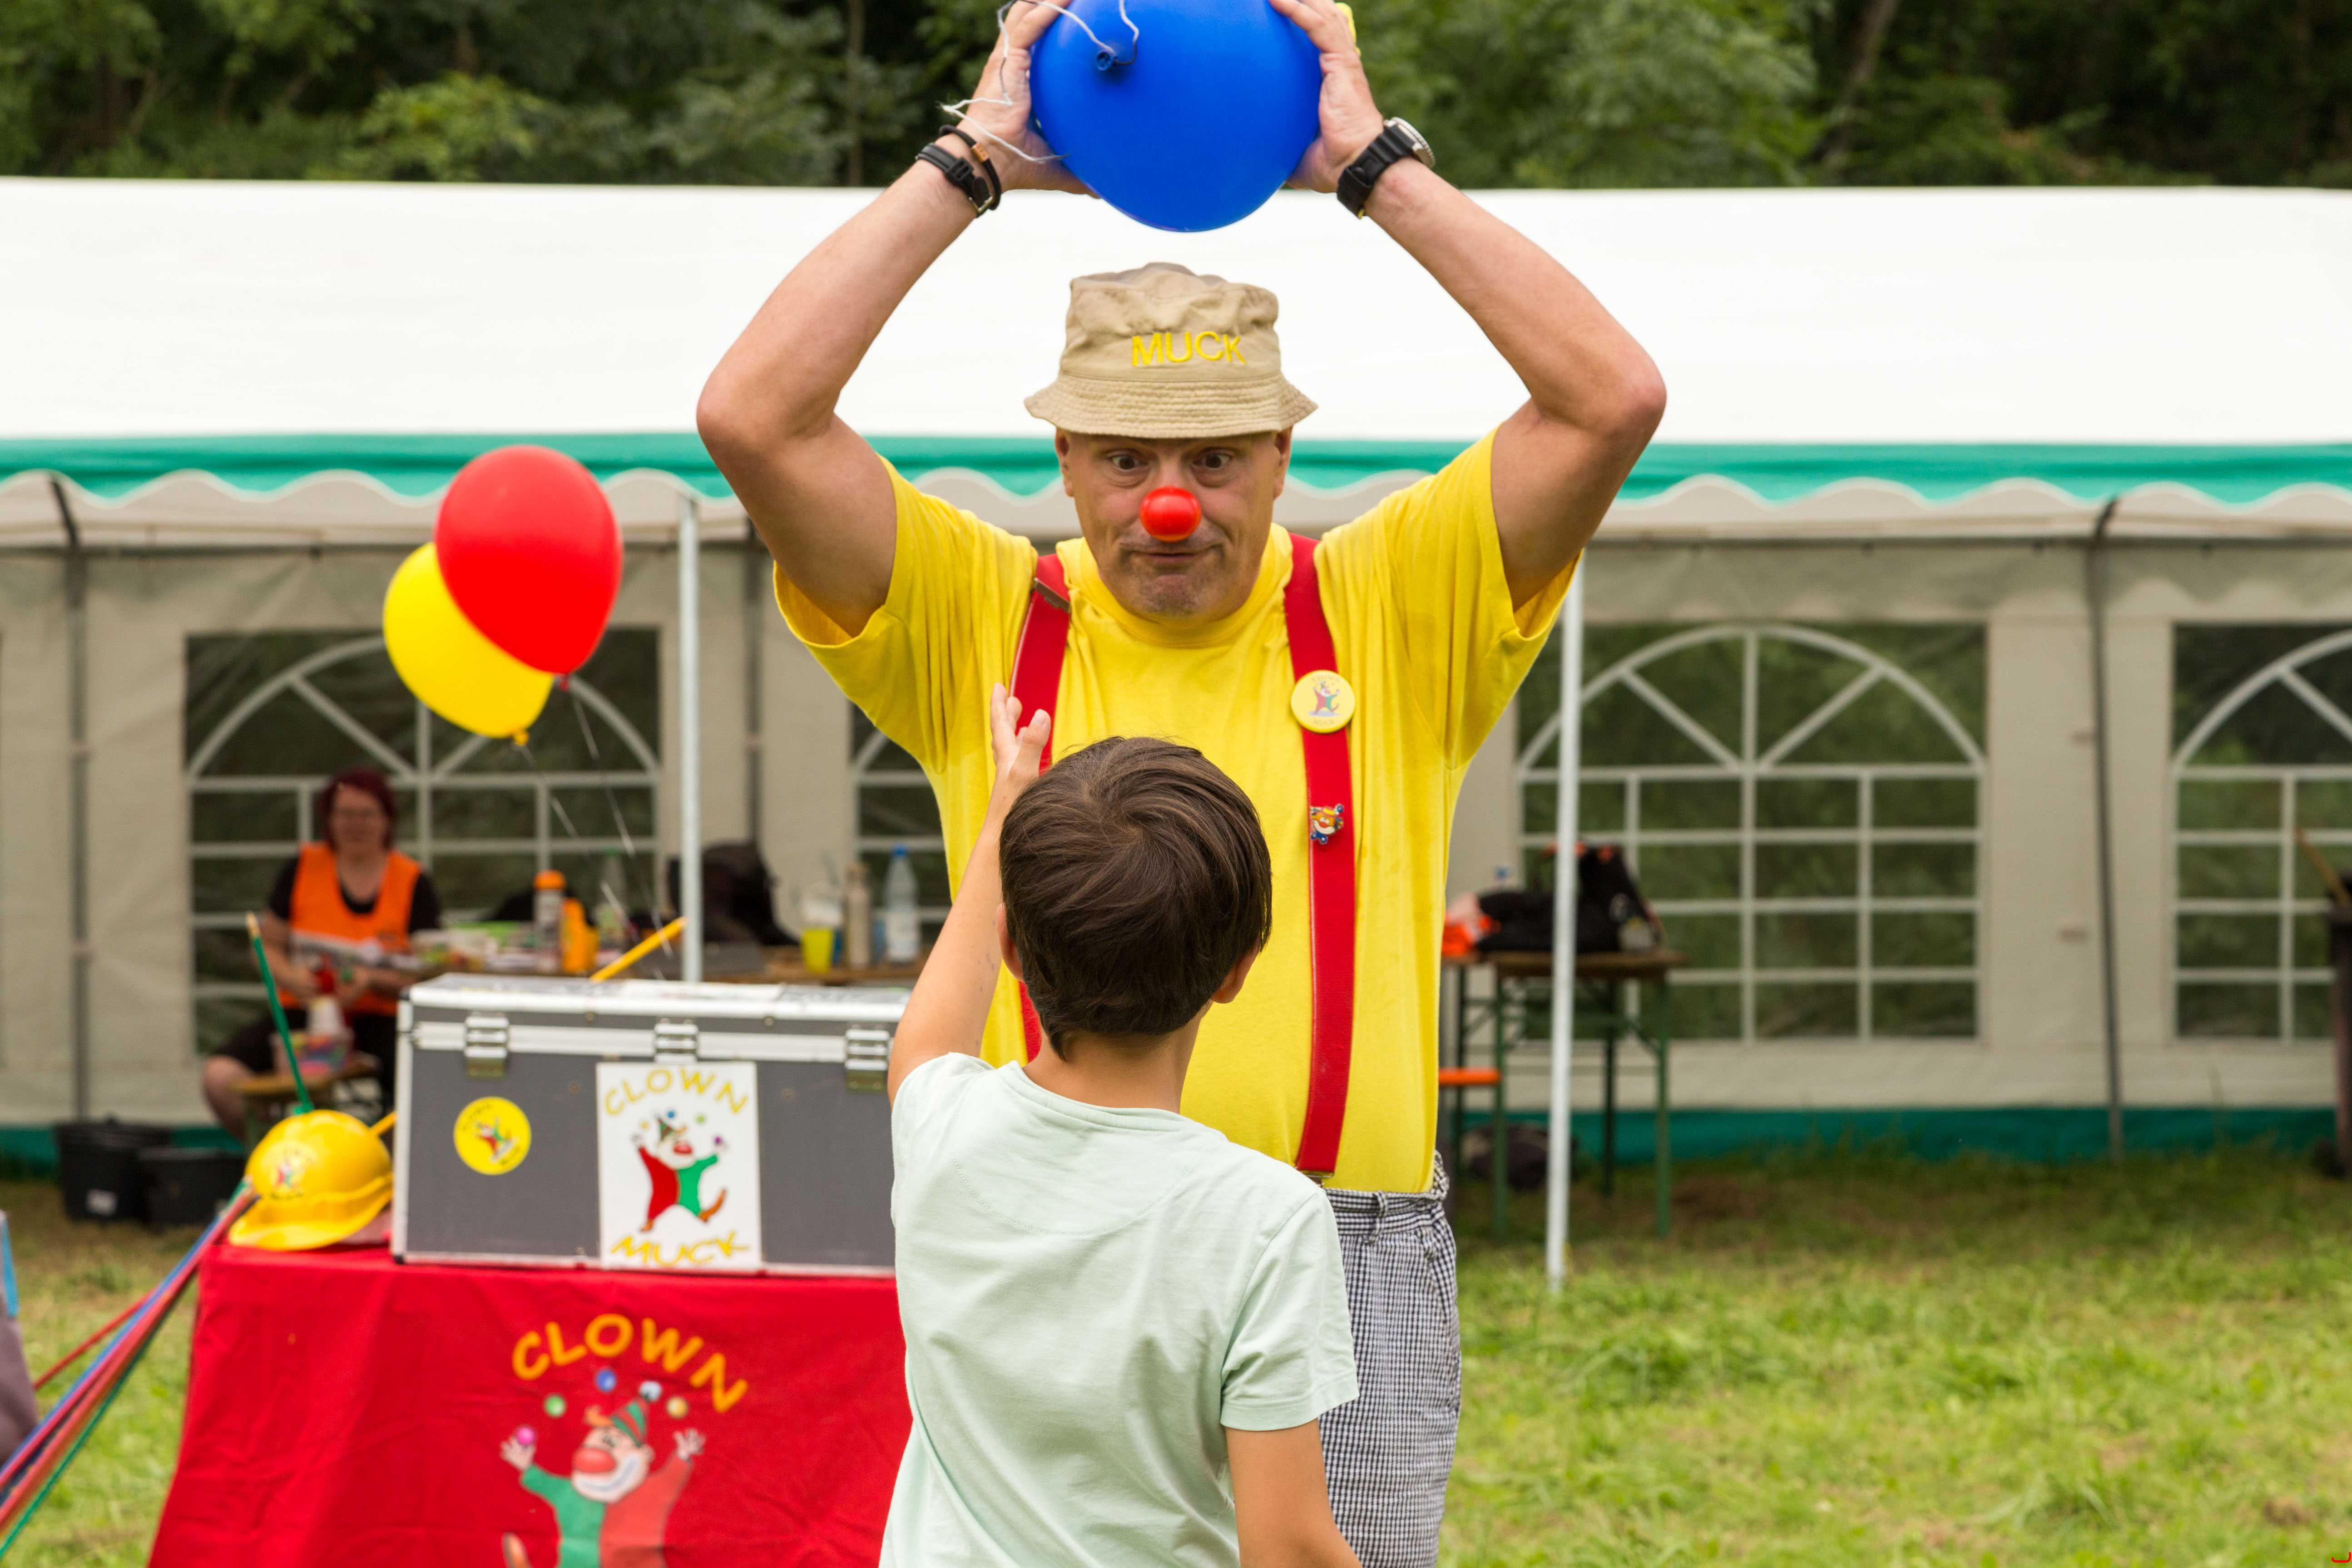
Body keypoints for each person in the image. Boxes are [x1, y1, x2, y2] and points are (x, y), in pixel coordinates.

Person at [696, 0, 1663, 1557]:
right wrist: (969, 161)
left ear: (1280, 454)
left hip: (1331, 1239)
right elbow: (752, 417)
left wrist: (1370, 165)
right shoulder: (976, 613)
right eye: (1126, 458)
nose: (1168, 504)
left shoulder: (1390, 599)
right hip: (1050, 1237)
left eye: (1212, 458)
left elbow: (1609, 396)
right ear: (1064, 457)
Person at [883, 687, 1360, 1568]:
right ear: (1237, 970)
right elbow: (1287, 1546)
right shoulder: (1267, 1217)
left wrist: (1004, 807)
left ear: (1013, 949)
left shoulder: (939, 1126)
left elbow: (926, 1037)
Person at [201, 766, 443, 1137]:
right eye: (345, 814)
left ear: (387, 819)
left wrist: (371, 980)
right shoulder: (303, 867)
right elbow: (266, 946)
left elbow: (429, 973)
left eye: (367, 814)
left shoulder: (412, 880)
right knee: (220, 1077)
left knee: (422, 1084)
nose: (356, 825)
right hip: (305, 1014)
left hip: (380, 1018)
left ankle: (386, 1157)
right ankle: (278, 1148)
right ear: (329, 818)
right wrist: (291, 977)